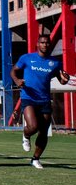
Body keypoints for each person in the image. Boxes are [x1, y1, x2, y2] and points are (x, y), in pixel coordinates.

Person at [10, 34, 69, 169]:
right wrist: (17, 81)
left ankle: (35, 159)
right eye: (42, 42)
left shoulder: (55, 63)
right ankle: (26, 135)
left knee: (43, 131)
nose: (45, 45)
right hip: (28, 96)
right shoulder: (27, 58)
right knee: (33, 126)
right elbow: (13, 71)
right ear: (37, 44)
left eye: (47, 43)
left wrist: (64, 80)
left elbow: (61, 79)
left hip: (45, 100)